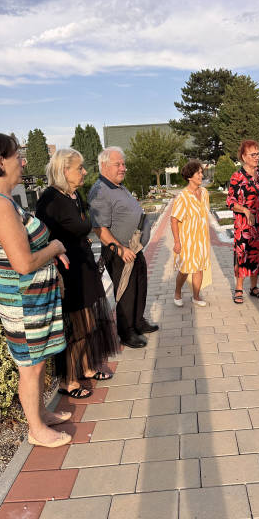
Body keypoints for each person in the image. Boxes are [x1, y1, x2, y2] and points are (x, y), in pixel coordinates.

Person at [0, 133, 71, 448]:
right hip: (23, 300)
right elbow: (23, 263)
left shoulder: (0, 199)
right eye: (18, 156)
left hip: (30, 298)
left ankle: (41, 414)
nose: (23, 162)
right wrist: (55, 247)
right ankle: (36, 430)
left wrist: (50, 255)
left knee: (37, 361)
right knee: (30, 365)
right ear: (0, 161)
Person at [36, 149, 119, 399]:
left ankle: (86, 367)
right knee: (77, 328)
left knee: (90, 323)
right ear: (64, 170)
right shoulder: (49, 199)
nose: (84, 172)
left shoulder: (74, 195)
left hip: (84, 267)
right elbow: (41, 238)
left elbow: (81, 227)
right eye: (79, 168)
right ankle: (68, 380)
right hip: (68, 272)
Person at [88, 147, 158, 349]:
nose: (123, 168)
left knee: (139, 286)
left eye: (123, 164)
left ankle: (137, 322)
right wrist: (120, 249)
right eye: (118, 164)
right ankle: (126, 332)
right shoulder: (100, 191)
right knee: (126, 291)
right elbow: (99, 228)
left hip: (134, 248)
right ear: (104, 166)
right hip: (119, 251)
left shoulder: (117, 186)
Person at [226, 140, 259, 303]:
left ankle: (254, 287)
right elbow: (230, 201)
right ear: (244, 157)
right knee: (242, 255)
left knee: (257, 254)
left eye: (258, 154)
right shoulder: (237, 176)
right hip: (244, 226)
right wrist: (245, 210)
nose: (257, 157)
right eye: (253, 154)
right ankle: (238, 288)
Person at [171, 160, 211, 307]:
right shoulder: (182, 196)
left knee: (199, 268)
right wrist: (177, 242)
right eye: (198, 173)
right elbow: (174, 220)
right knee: (185, 270)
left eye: (201, 172)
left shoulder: (205, 193)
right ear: (189, 176)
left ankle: (196, 296)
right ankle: (177, 293)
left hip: (202, 239)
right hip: (187, 240)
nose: (201, 175)